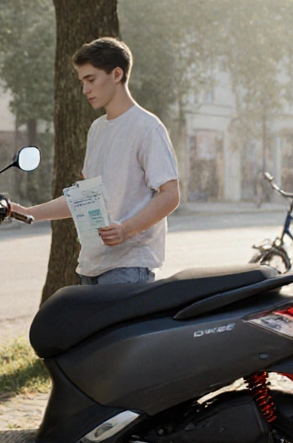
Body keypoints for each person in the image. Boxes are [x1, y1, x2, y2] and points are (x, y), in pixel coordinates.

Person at [13, 38, 180, 285]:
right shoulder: (97, 129)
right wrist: (27, 213)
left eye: (90, 80)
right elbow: (85, 198)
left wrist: (126, 229)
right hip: (91, 266)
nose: (85, 90)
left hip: (129, 268)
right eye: (82, 82)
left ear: (116, 74)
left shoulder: (147, 127)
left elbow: (170, 195)